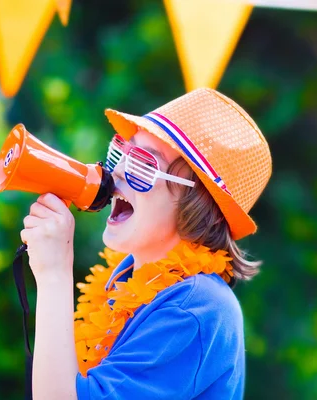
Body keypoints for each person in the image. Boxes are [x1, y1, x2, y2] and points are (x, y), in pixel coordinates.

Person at [19, 88, 272, 399]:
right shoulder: (125, 283)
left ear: (200, 206)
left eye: (144, 166)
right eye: (122, 152)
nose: (119, 170)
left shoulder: (194, 309)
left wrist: (54, 275)